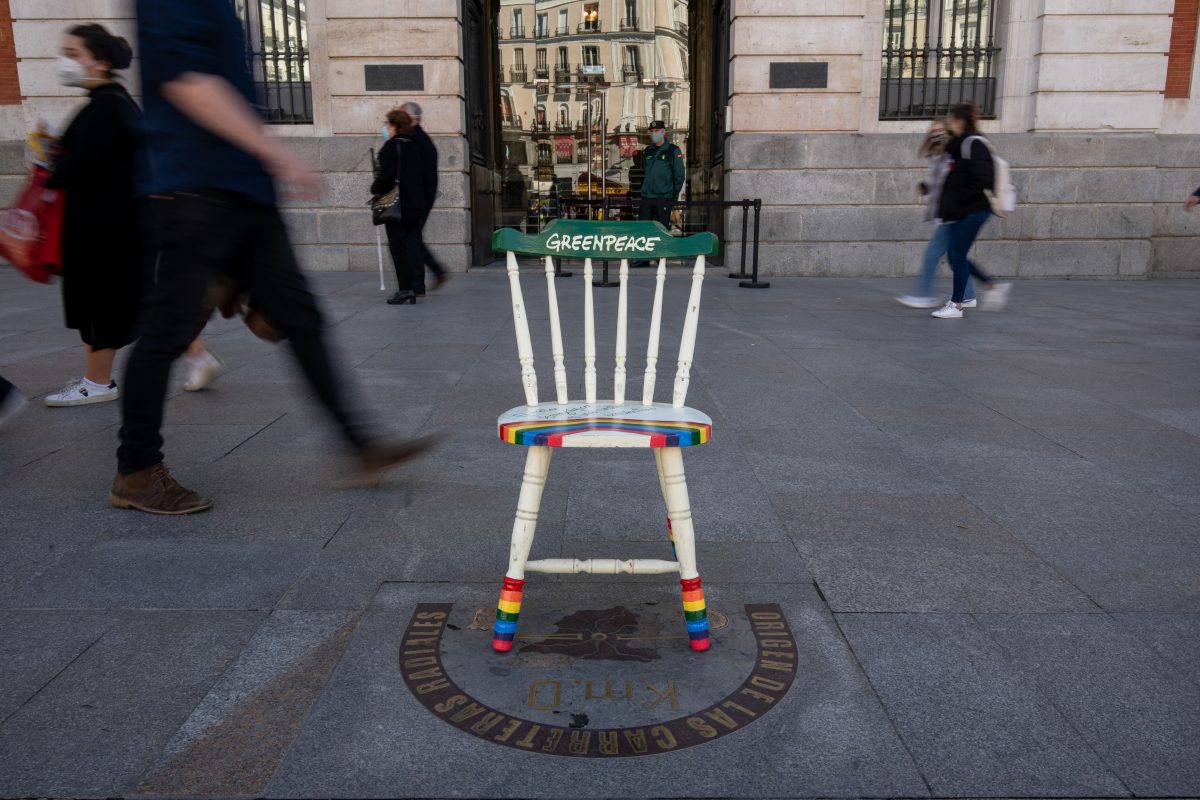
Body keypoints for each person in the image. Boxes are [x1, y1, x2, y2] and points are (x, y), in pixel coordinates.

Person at [116, 0, 435, 515]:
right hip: (194, 189)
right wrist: (274, 152)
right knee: (167, 331)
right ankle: (136, 470)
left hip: (246, 193)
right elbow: (185, 81)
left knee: (300, 318)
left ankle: (360, 445)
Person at [42, 24, 143, 408]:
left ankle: (98, 382)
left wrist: (52, 160)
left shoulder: (104, 109)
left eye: (73, 53)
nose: (64, 61)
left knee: (100, 309)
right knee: (99, 308)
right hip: (106, 228)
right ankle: (95, 378)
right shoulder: (110, 104)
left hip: (102, 232)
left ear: (99, 61)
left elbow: (82, 167)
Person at [930, 102, 1012, 320]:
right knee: (955, 255)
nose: (948, 122)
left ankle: (956, 304)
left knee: (956, 255)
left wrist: (959, 201)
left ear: (960, 121)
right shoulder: (959, 145)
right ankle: (991, 285)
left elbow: (983, 179)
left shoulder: (973, 144)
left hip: (974, 210)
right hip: (963, 210)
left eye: (951, 119)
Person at [896, 120, 976, 310]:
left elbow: (953, 182)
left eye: (940, 130)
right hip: (947, 213)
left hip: (952, 213)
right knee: (955, 256)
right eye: (933, 131)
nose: (936, 134)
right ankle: (968, 295)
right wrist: (926, 187)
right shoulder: (937, 155)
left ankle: (925, 295)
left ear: (948, 131)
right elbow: (939, 182)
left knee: (932, 254)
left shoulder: (952, 153)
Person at [373, 108, 438, 305]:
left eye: (388, 124)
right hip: (416, 205)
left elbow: (386, 177)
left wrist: (374, 188)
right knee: (411, 245)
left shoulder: (391, 147)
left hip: (398, 206)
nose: (386, 128)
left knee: (398, 248)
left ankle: (405, 289)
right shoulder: (416, 147)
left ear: (394, 126)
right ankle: (415, 287)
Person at [400, 101, 449, 296]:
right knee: (414, 238)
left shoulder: (416, 140)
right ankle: (429, 277)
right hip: (421, 198)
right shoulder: (418, 138)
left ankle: (422, 281)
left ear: (412, 119)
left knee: (411, 239)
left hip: (417, 199)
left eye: (401, 116)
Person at [637, 120, 685, 230]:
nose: (654, 133)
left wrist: (673, 196)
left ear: (663, 132)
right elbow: (645, 173)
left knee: (662, 230)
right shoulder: (648, 150)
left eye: (657, 131)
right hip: (647, 197)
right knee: (643, 230)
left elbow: (679, 176)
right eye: (652, 131)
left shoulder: (673, 150)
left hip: (664, 197)